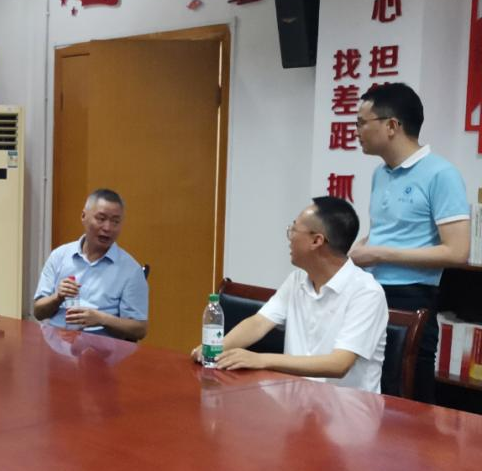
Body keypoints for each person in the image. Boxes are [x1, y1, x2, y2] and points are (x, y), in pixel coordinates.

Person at [191, 197, 388, 393]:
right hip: (296, 402)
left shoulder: (366, 292)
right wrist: (216, 349)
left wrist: (260, 359)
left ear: (316, 240)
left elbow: (339, 364)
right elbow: (259, 323)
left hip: (347, 407)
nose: (290, 237)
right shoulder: (297, 280)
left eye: (294, 230)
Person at [349, 83, 470, 402]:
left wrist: (378, 254)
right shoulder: (380, 173)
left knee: (407, 396)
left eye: (362, 123)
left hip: (412, 297)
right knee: (369, 391)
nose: (357, 131)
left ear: (392, 125)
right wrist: (361, 249)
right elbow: (388, 231)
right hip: (371, 292)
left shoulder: (441, 174)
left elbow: (457, 251)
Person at [33, 188, 149, 341]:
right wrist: (57, 297)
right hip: (56, 344)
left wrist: (102, 319)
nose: (107, 228)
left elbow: (140, 329)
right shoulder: (59, 256)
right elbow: (38, 312)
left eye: (115, 222)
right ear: (83, 216)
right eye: (101, 219)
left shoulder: (131, 270)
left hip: (101, 349)